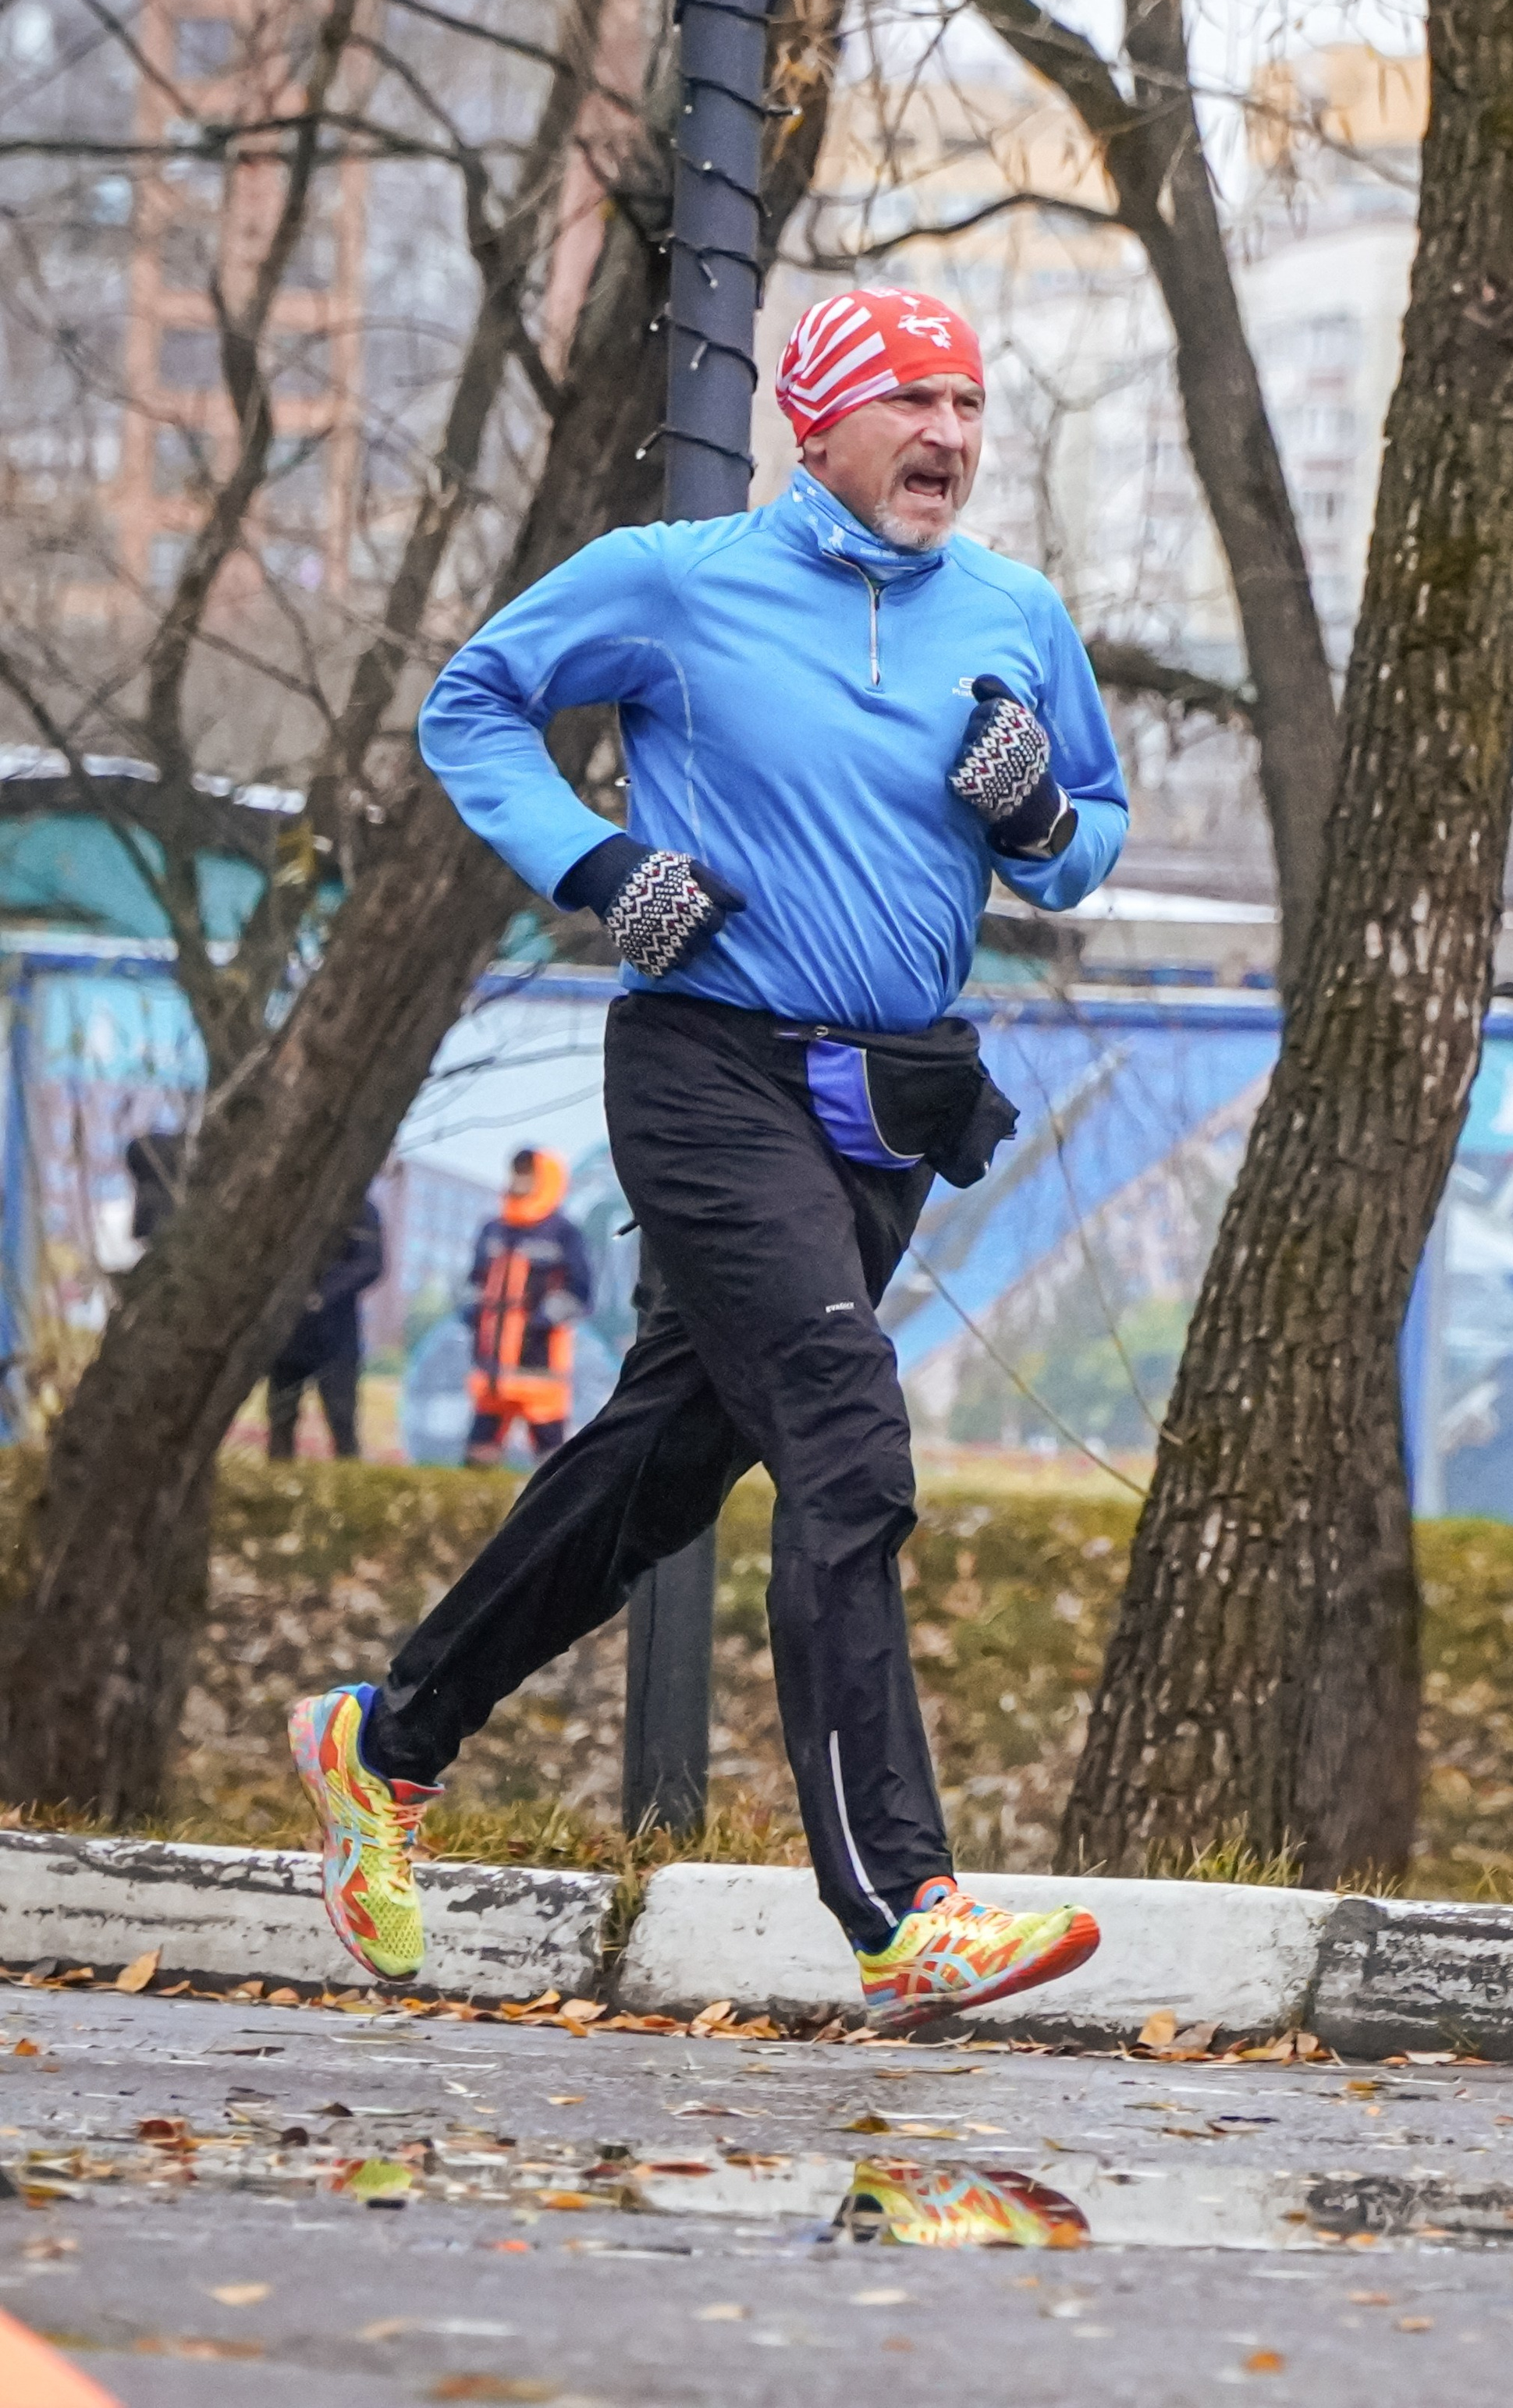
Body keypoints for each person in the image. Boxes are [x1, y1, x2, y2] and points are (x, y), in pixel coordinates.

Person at [289, 287, 1128, 2026]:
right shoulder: (676, 581)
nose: (950, 434)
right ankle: (903, 1905)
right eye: (912, 399)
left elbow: (1085, 844)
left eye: (970, 403)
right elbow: (473, 701)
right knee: (844, 1426)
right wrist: (602, 867)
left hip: (883, 1104)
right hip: (705, 1069)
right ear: (817, 422)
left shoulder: (1015, 611)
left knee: (661, 1468)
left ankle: (386, 1737)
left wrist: (1038, 807)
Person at [460, 1147, 593, 1466]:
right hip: (491, 1366)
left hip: (539, 1365)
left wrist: (540, 1320)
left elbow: (581, 1293)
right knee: (478, 1456)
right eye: (517, 1172)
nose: (519, 1180)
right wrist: (472, 1314)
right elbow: (473, 1282)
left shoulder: (564, 1232)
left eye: (528, 1173)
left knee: (551, 1462)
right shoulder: (493, 1228)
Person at [266, 1196, 385, 1461]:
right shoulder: (287, 1203)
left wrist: (323, 1294)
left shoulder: (362, 1210)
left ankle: (348, 1480)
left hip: (337, 1334)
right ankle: (277, 1476)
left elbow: (370, 1264)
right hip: (289, 1332)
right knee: (280, 1418)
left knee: (342, 1421)